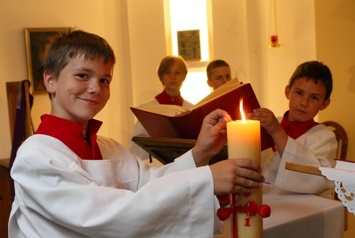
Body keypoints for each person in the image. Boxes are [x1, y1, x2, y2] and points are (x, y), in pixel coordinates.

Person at [8, 29, 264, 237]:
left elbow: (151, 184)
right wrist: (205, 179)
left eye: (104, 80)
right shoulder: (36, 157)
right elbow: (113, 215)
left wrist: (200, 153)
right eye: (83, 75)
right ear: (50, 80)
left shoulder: (108, 147)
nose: (95, 88)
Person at [249, 61, 337, 195]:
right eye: (299, 93)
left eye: (314, 97)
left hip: (302, 208)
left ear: (324, 104)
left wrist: (276, 131)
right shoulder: (267, 124)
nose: (304, 103)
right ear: (287, 92)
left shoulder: (325, 138)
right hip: (261, 198)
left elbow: (315, 180)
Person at [129, 56, 194, 161]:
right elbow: (136, 145)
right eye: (168, 72)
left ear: (184, 76)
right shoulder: (148, 108)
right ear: (161, 76)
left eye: (177, 72)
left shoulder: (191, 109)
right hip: (156, 164)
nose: (173, 77)